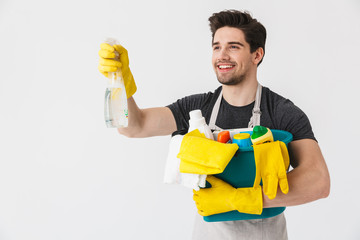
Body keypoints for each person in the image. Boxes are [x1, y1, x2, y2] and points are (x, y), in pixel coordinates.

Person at [98, 9, 330, 240]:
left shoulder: (281, 112)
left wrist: (242, 198)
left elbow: (318, 181)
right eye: (217, 47)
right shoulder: (198, 108)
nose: (222, 55)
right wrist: (121, 84)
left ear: (257, 55)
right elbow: (134, 126)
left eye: (233, 47)